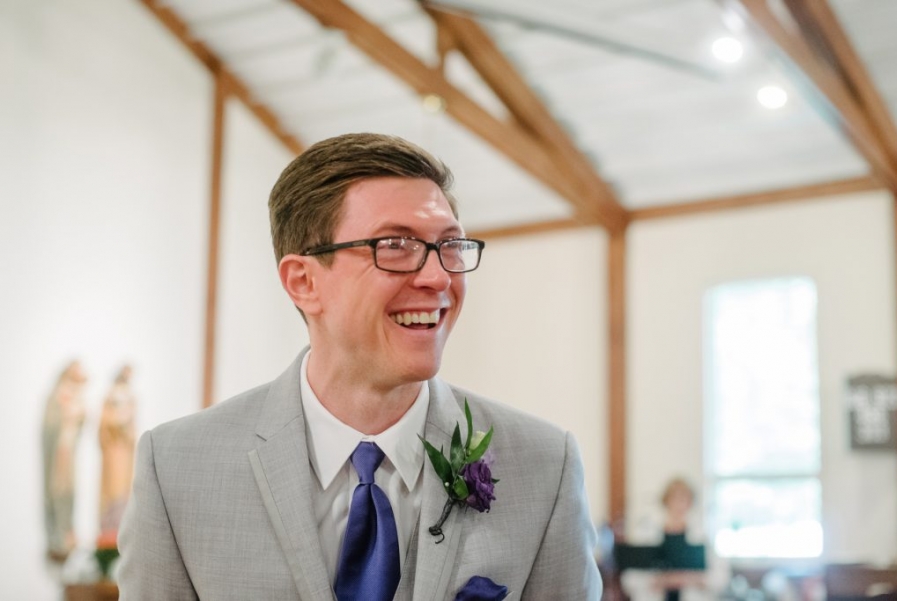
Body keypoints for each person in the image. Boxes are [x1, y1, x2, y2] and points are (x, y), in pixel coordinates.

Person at [117, 133, 601, 600]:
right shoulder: (178, 468)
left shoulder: (543, 466)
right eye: (395, 246)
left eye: (450, 246)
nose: (437, 276)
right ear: (304, 281)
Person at [620, 478, 729, 601]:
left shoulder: (702, 537)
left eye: (684, 499)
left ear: (690, 503)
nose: (679, 504)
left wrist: (691, 579)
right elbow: (629, 578)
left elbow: (721, 578)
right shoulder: (646, 535)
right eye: (674, 499)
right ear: (666, 501)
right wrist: (660, 580)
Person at [42, 359, 88, 562]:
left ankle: (67, 531)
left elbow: (81, 417)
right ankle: (59, 534)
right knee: (59, 490)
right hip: (60, 450)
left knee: (69, 491)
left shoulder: (74, 394)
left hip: (69, 450)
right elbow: (53, 422)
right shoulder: (60, 394)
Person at [96, 364, 137, 550]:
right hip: (113, 449)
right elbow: (106, 421)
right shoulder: (112, 395)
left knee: (123, 491)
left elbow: (132, 424)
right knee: (112, 490)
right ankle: (109, 528)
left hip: (125, 451)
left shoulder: (130, 396)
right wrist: (119, 422)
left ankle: (120, 527)